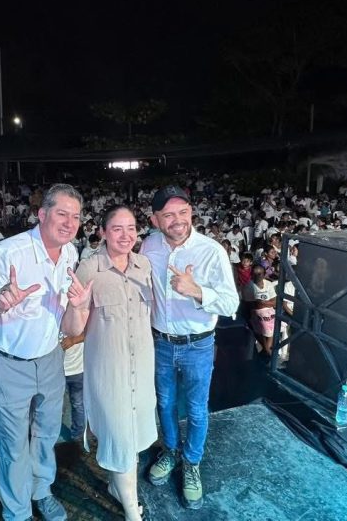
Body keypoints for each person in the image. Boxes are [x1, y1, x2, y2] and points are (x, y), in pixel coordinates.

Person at [0, 183, 83, 521]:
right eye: (62, 213)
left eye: (76, 216)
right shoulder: (7, 253)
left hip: (50, 359)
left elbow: (66, 316)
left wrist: (77, 308)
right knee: (14, 445)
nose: (69, 223)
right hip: (9, 364)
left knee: (46, 435)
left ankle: (41, 491)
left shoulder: (71, 253)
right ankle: (17, 512)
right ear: (42, 214)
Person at [141, 184, 238, 510]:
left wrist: (196, 291)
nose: (177, 220)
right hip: (160, 342)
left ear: (191, 212)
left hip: (198, 345)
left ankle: (192, 463)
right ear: (155, 219)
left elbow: (231, 304)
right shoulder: (149, 246)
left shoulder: (212, 251)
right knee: (165, 403)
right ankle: (170, 451)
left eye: (183, 212)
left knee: (196, 409)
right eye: (168, 215)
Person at [61, 205, 154, 521]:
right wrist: (77, 308)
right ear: (102, 232)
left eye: (131, 228)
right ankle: (132, 512)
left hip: (141, 369)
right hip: (109, 373)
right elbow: (71, 328)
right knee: (120, 438)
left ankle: (117, 488)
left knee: (133, 436)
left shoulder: (144, 266)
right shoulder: (89, 269)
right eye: (117, 228)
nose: (126, 235)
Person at [243, 264, 278, 358]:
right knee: (261, 324)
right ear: (251, 274)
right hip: (256, 312)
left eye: (260, 274)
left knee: (274, 323)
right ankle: (268, 351)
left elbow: (275, 302)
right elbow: (252, 305)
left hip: (269, 311)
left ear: (264, 274)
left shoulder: (268, 284)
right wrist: (267, 303)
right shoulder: (249, 286)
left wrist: (263, 303)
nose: (257, 276)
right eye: (255, 274)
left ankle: (266, 351)